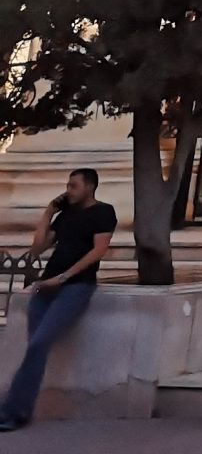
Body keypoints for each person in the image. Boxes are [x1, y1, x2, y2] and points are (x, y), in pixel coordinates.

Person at [0, 167, 117, 432]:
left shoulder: (103, 212)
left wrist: (63, 278)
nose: (68, 189)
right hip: (46, 285)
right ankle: (18, 410)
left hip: (76, 286)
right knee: (35, 348)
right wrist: (48, 213)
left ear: (89, 187)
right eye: (67, 184)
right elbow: (37, 249)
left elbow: (98, 251)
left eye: (74, 185)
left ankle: (12, 410)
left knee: (39, 343)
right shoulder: (66, 215)